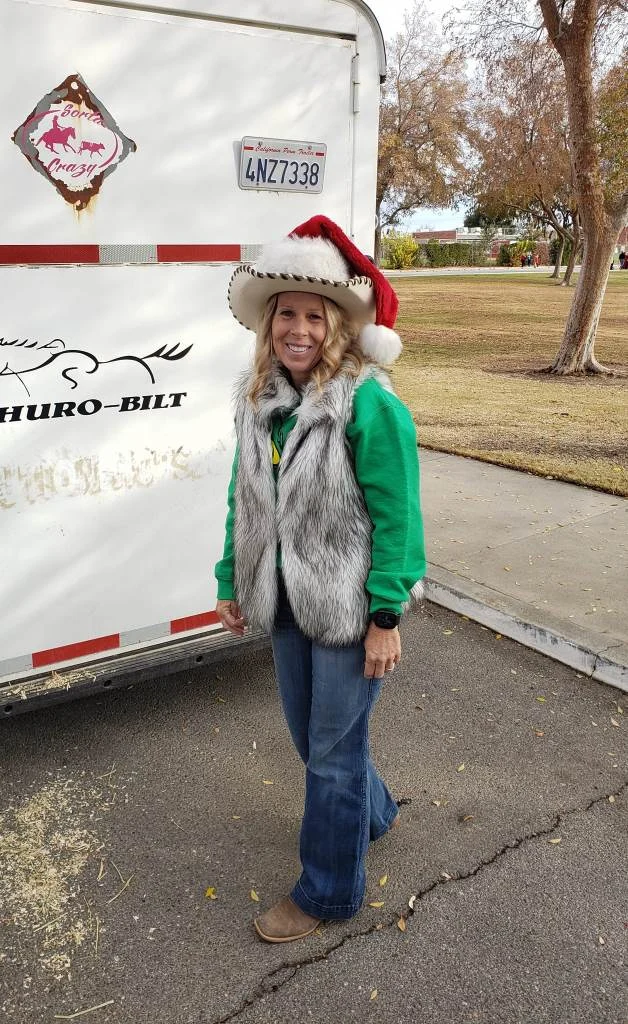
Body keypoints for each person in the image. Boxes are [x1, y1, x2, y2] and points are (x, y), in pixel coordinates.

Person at [214, 215, 426, 943]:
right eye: (286, 315)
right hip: (282, 602)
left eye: (314, 316)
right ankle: (374, 814)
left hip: (347, 608)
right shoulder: (259, 401)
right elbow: (243, 499)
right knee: (317, 741)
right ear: (269, 325)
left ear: (335, 325)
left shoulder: (368, 403)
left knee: (332, 757)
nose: (298, 330)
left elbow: (400, 518)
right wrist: (231, 578)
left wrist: (386, 617)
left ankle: (328, 891)